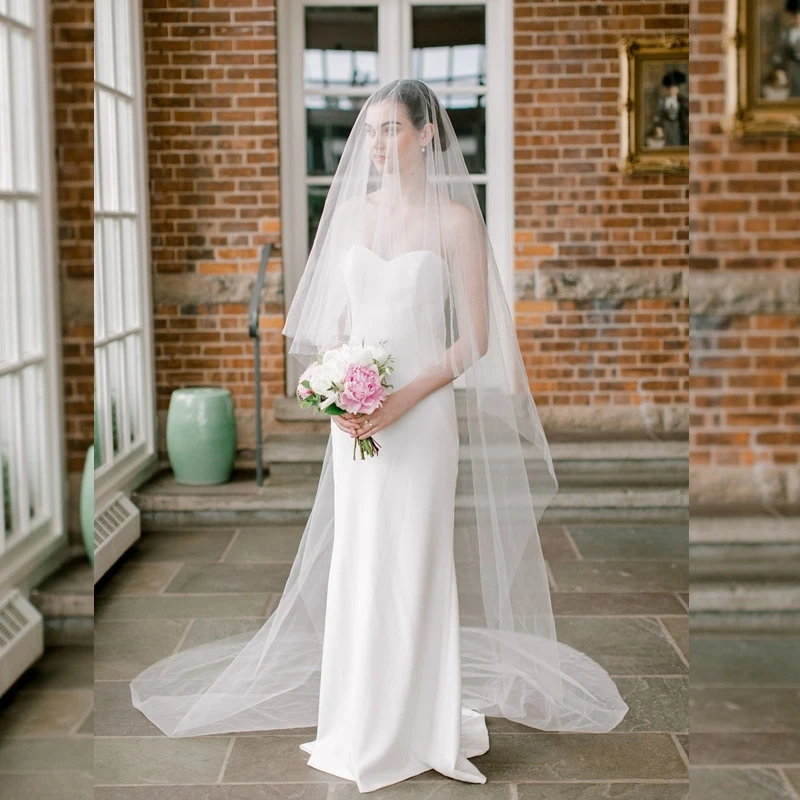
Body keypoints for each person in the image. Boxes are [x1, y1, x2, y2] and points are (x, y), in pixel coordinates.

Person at [129, 79, 629, 794]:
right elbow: (331, 330)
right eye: (370, 131)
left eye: (392, 129)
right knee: (361, 566)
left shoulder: (456, 222)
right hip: (357, 421)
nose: (378, 144)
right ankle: (359, 724)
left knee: (415, 566)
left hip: (420, 422)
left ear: (428, 134)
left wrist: (398, 400)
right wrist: (338, 394)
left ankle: (419, 727)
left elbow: (473, 344)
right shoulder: (352, 220)